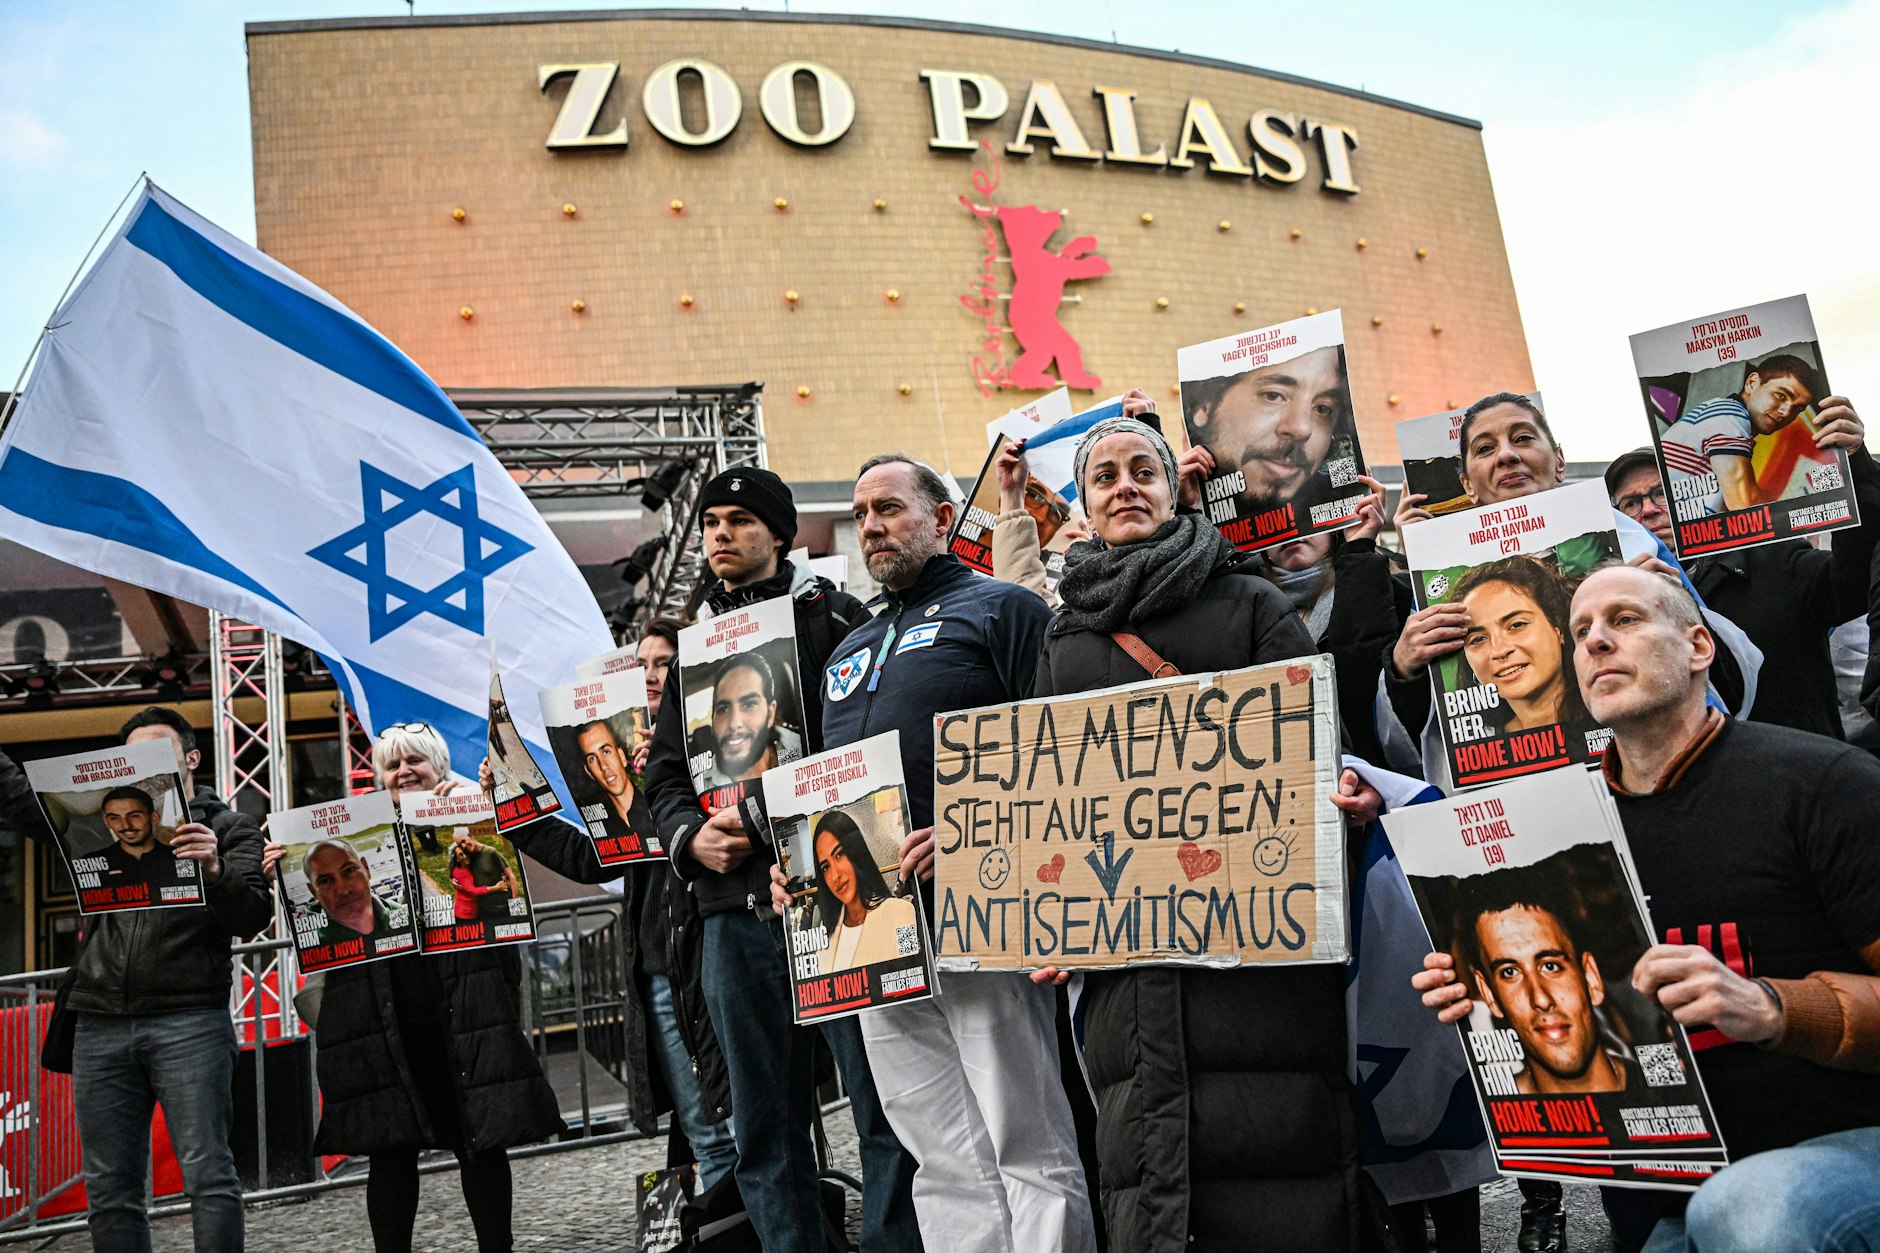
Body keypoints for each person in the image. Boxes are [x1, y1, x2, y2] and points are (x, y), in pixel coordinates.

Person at [1413, 563, 1880, 1253]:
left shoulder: (1823, 781)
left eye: (1625, 619)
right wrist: (1484, 1004)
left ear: (1698, 647)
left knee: (1748, 1210)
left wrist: (1775, 1009)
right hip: (1659, 1195)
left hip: (1833, 1151)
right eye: (1580, 631)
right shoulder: (1559, 836)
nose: (1596, 641)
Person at [1027, 416, 1384, 1251]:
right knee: (1151, 1184)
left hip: (1261, 963)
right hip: (1129, 974)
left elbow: (1317, 745)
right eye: (1104, 474)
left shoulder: (1251, 603)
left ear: (1174, 486)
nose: (1125, 485)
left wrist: (1346, 799)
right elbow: (1045, 800)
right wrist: (1044, 910)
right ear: (1084, 502)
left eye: (1141, 469)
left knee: (1283, 1168)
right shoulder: (1065, 638)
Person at [773, 452, 1096, 1253]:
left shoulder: (1005, 610)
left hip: (980, 909)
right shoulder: (847, 652)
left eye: (889, 507)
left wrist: (968, 837)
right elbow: (830, 789)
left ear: (942, 517)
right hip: (870, 933)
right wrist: (799, 868)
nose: (872, 525)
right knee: (938, 1151)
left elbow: (1058, 755)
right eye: (861, 514)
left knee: (1027, 1134)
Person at [645, 467, 920, 1253]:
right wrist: (689, 838)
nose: (720, 535)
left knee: (883, 1108)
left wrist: (766, 813)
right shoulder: (695, 650)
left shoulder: (836, 617)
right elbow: (662, 775)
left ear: (780, 531)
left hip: (835, 899)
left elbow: (868, 739)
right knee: (762, 1128)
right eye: (709, 523)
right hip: (731, 913)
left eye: (737, 520)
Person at [267, 723, 562, 1253]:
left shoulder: (470, 814)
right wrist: (283, 871)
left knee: (479, 1140)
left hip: (463, 1006)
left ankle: (498, 1247)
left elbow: (514, 891)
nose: (404, 771)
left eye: (415, 761)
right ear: (378, 778)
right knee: (390, 1149)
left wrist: (482, 808)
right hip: (383, 1015)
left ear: (439, 768)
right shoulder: (356, 838)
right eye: (392, 764)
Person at [0, 706, 272, 1253]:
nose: (140, 764)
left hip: (189, 1016)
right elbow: (13, 797)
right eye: (131, 756)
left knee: (209, 1176)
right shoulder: (99, 821)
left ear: (191, 758)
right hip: (101, 1020)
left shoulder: (229, 827)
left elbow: (252, 916)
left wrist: (215, 872)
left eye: (158, 751)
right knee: (110, 1187)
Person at [481, 620, 739, 1192]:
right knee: (706, 1135)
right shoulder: (620, 767)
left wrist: (667, 777)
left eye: (664, 662)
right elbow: (591, 858)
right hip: (657, 972)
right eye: (640, 664)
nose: (650, 674)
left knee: (748, 1126)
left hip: (718, 958)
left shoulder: (716, 744)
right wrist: (513, 811)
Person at [1605, 400, 1878, 739]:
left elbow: (1854, 585)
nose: (1648, 509)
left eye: (1663, 493)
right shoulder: (1610, 606)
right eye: (1630, 503)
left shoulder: (1771, 559)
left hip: (1796, 777)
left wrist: (1856, 468)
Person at [1456, 873, 1635, 1096]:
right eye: (1510, 972)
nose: (1540, 999)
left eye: (1550, 966)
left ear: (1591, 978)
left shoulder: (1668, 1089)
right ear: (1490, 995)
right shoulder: (1487, 1113)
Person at [1181, 343, 1355, 512]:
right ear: (1204, 405)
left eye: (1322, 409)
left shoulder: (1329, 538)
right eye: (1273, 396)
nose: (1302, 429)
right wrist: (1181, 510)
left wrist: (1359, 539)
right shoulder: (1176, 508)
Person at [1658, 353, 1828, 514]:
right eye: (1781, 395)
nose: (1786, 412)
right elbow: (1745, 503)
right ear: (1752, 383)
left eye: (1797, 408)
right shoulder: (1728, 414)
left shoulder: (1726, 419)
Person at [1449, 556, 1589, 734]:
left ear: (1558, 627)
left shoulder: (1619, 715)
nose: (1499, 650)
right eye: (1477, 639)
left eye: (1517, 625)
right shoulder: (1480, 746)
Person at [808, 810, 919, 976]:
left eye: (839, 855)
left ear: (856, 852)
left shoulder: (901, 912)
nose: (835, 875)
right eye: (825, 867)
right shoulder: (824, 938)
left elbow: (913, 971)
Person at [702, 652, 798, 784]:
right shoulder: (700, 785)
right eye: (723, 709)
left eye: (749, 704)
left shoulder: (802, 746)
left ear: (770, 714)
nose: (734, 723)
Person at [303, 838, 395, 942]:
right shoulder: (308, 945)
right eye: (325, 881)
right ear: (314, 892)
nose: (343, 890)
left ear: (366, 868)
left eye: (349, 870)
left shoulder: (401, 913)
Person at [95, 783, 183, 888]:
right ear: (106, 822)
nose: (126, 826)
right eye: (115, 818)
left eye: (134, 816)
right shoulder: (92, 863)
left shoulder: (180, 859)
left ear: (154, 817)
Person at [574, 717, 642, 842]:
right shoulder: (602, 829)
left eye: (606, 752)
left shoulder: (657, 806)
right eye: (592, 759)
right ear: (589, 772)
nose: (603, 766)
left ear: (621, 756)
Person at [452, 827, 516, 922]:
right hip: (483, 909)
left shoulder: (490, 852)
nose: (464, 845)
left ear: (470, 836)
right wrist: (452, 880)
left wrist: (516, 909)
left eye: (463, 841)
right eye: (460, 844)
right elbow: (458, 871)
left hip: (502, 906)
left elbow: (511, 876)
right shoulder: (467, 858)